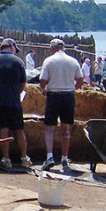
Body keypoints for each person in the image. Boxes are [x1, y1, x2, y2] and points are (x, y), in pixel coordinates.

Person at [0, 38, 32, 169]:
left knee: (3, 129)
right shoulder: (19, 62)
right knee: (19, 129)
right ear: (11, 46)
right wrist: (16, 93)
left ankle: (6, 159)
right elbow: (23, 83)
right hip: (14, 101)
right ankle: (24, 158)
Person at [40, 39, 83, 170]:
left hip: (53, 95)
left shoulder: (49, 61)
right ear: (63, 48)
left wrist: (44, 89)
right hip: (68, 95)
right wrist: (72, 88)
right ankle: (64, 158)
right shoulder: (73, 61)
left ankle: (49, 157)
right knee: (66, 129)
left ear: (52, 48)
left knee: (49, 128)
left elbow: (42, 80)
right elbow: (80, 80)